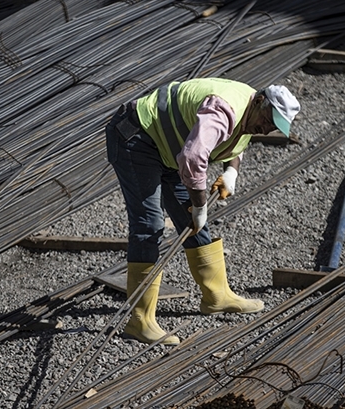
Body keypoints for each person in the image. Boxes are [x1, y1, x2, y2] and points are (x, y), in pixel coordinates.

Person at [105, 77, 300, 345]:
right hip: (137, 137)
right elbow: (193, 157)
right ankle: (140, 320)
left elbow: (237, 139)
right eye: (267, 121)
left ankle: (216, 297)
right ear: (259, 101)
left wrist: (231, 172)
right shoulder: (224, 108)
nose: (266, 130)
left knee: (193, 220)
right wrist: (199, 204)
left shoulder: (251, 111)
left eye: (273, 127)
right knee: (149, 224)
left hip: (169, 148)